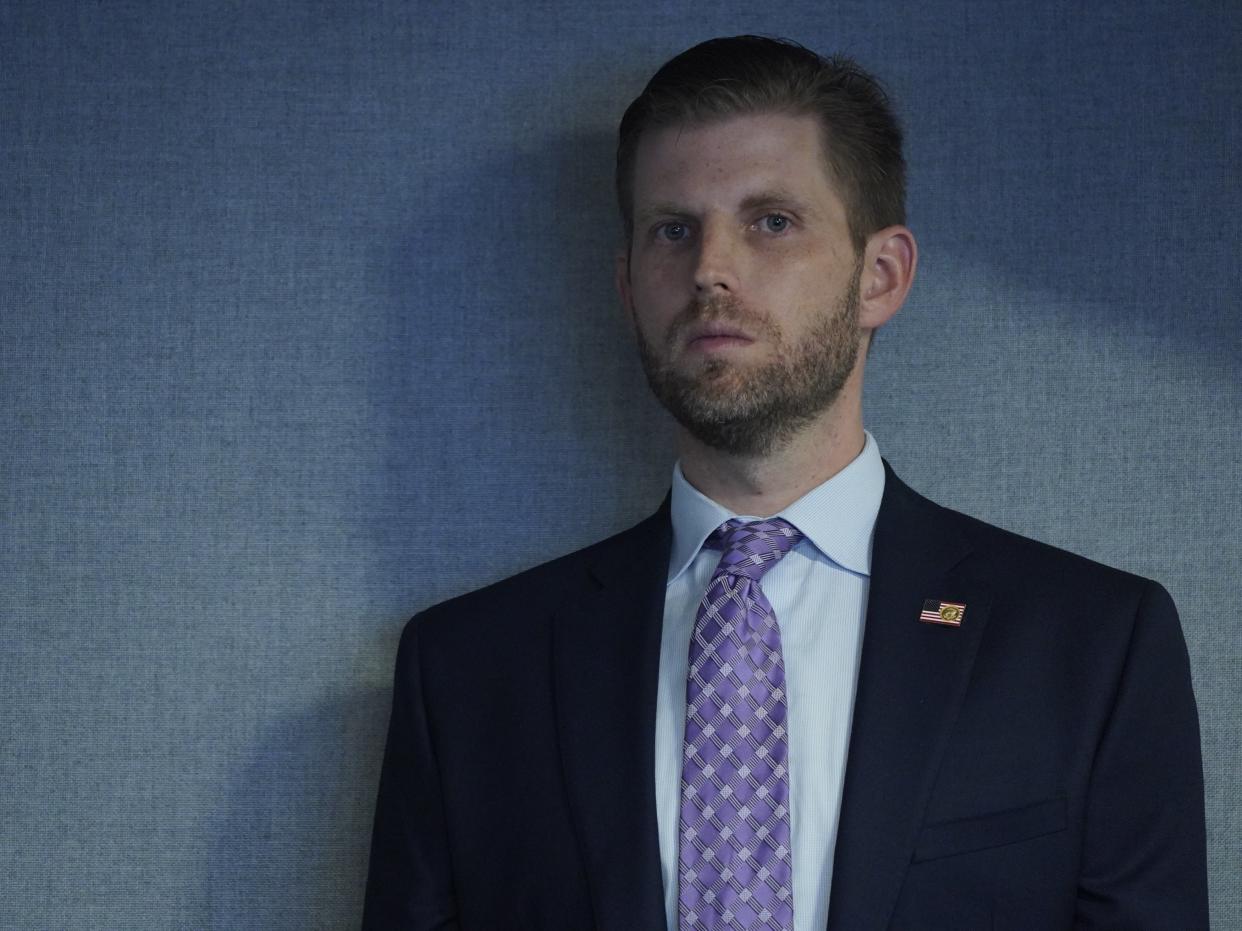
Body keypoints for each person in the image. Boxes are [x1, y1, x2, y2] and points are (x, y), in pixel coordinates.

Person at [362, 36, 1207, 930]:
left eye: (771, 220)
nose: (709, 269)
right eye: (672, 229)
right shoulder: (465, 670)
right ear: (628, 286)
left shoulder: (1094, 647)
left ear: (880, 276)